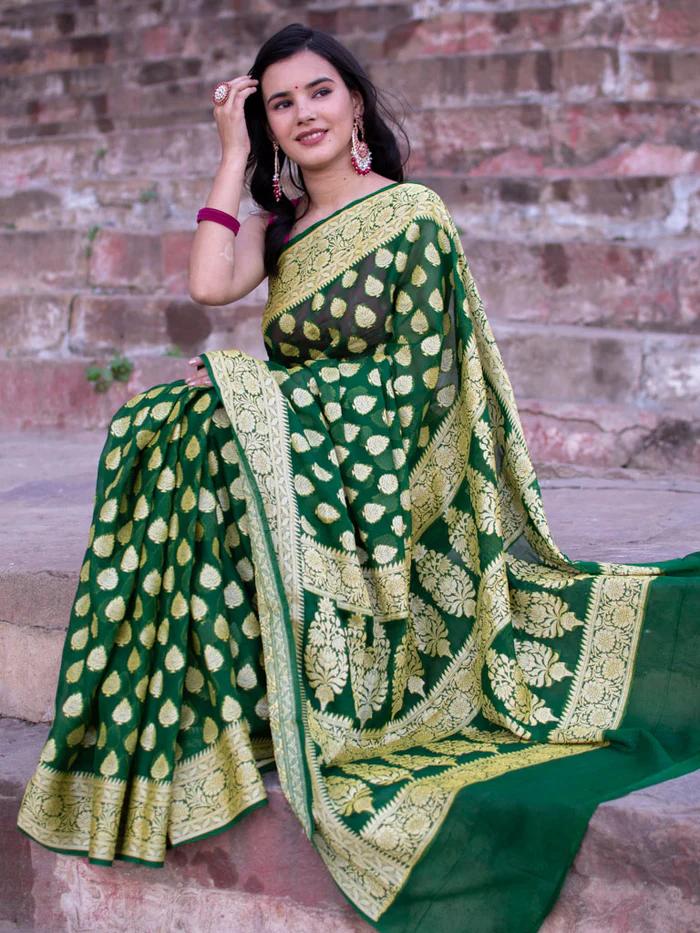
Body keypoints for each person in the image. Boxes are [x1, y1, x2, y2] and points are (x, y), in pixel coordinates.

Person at [17, 22, 700, 933]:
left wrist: (255, 390)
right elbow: (212, 287)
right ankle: (232, 707)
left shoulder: (412, 213)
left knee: (202, 419)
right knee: (157, 421)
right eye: (281, 103)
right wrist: (231, 154)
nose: (304, 114)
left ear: (356, 102)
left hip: (382, 464)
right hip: (308, 441)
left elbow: (416, 381)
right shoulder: (284, 224)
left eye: (319, 93)